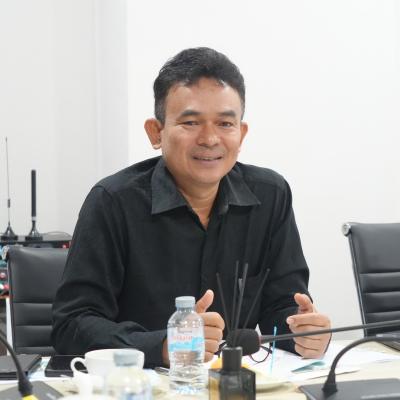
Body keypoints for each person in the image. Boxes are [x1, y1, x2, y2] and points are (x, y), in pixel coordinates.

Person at [52, 47, 331, 367]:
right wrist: (162, 346)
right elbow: (72, 324)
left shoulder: (270, 196)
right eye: (191, 122)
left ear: (241, 134)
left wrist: (303, 333)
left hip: (234, 382)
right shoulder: (112, 202)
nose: (210, 139)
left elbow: (280, 309)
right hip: (139, 384)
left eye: (225, 123)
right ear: (156, 132)